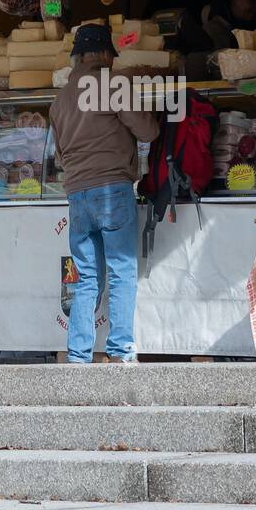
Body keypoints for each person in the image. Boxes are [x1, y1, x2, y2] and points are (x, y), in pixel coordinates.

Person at [49, 24, 160, 363]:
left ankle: (79, 356)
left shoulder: (59, 101)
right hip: (112, 190)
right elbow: (148, 130)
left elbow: (58, 157)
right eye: (111, 54)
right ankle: (120, 351)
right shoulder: (113, 84)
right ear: (100, 54)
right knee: (122, 270)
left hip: (77, 195)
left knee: (87, 279)